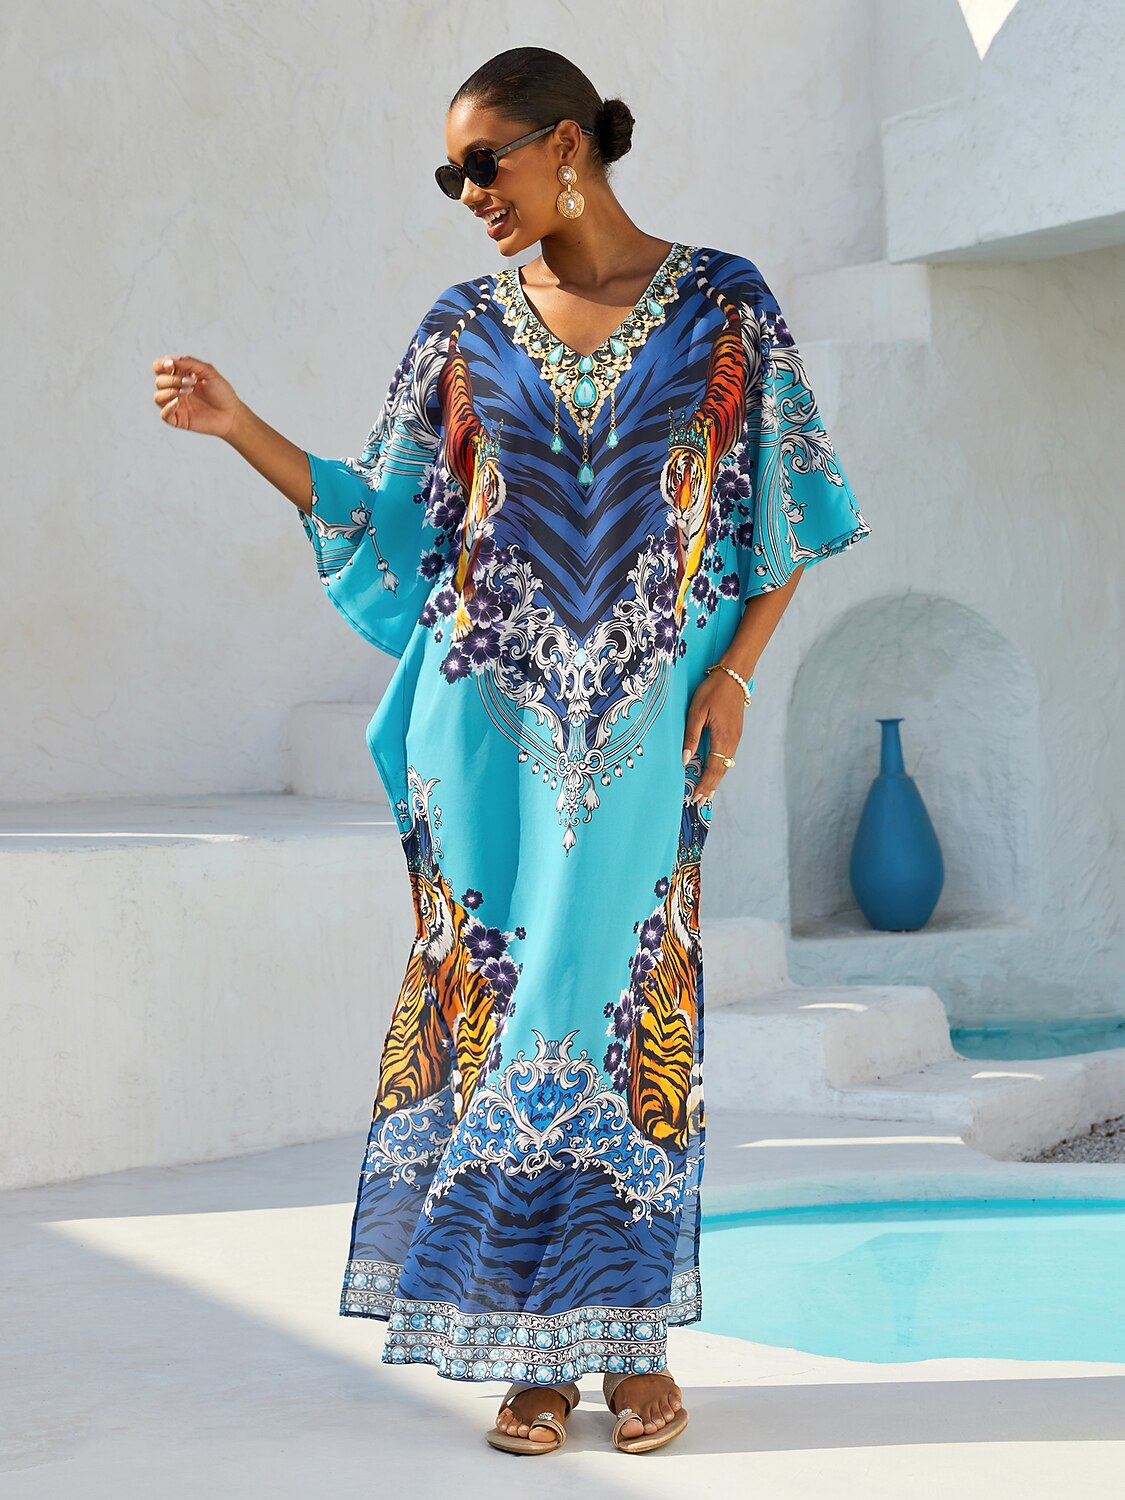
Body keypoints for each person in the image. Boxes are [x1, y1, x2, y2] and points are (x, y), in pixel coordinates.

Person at [150, 45, 871, 1456]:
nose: (469, 193)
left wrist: (733, 674)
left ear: (567, 143)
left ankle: (632, 1338)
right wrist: (239, 428)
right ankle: (535, 1352)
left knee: (623, 1005)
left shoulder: (723, 306)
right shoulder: (463, 330)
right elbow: (386, 515)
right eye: (450, 176)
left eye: (483, 163)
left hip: (642, 729)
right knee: (506, 1014)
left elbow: (787, 505)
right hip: (483, 731)